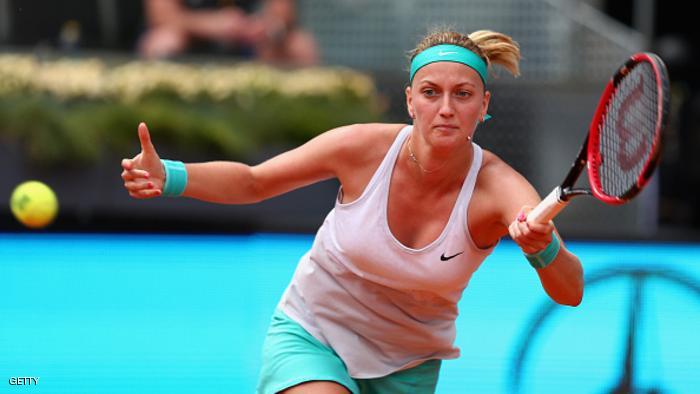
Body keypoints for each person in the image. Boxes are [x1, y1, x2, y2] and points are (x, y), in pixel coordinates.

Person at [121, 29, 584, 394]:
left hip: (409, 365)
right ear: (409, 101)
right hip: (314, 332)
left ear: (484, 106)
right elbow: (255, 181)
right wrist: (171, 176)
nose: (445, 109)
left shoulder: (501, 189)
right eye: (430, 92)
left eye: (463, 95)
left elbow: (571, 290)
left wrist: (542, 251)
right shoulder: (361, 147)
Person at [138, 0, 319, 66]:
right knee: (163, 42)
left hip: (250, 45)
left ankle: (290, 128)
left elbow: (282, 15)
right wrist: (211, 24)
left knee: (300, 46)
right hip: (192, 42)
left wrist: (265, 27)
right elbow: (161, 16)